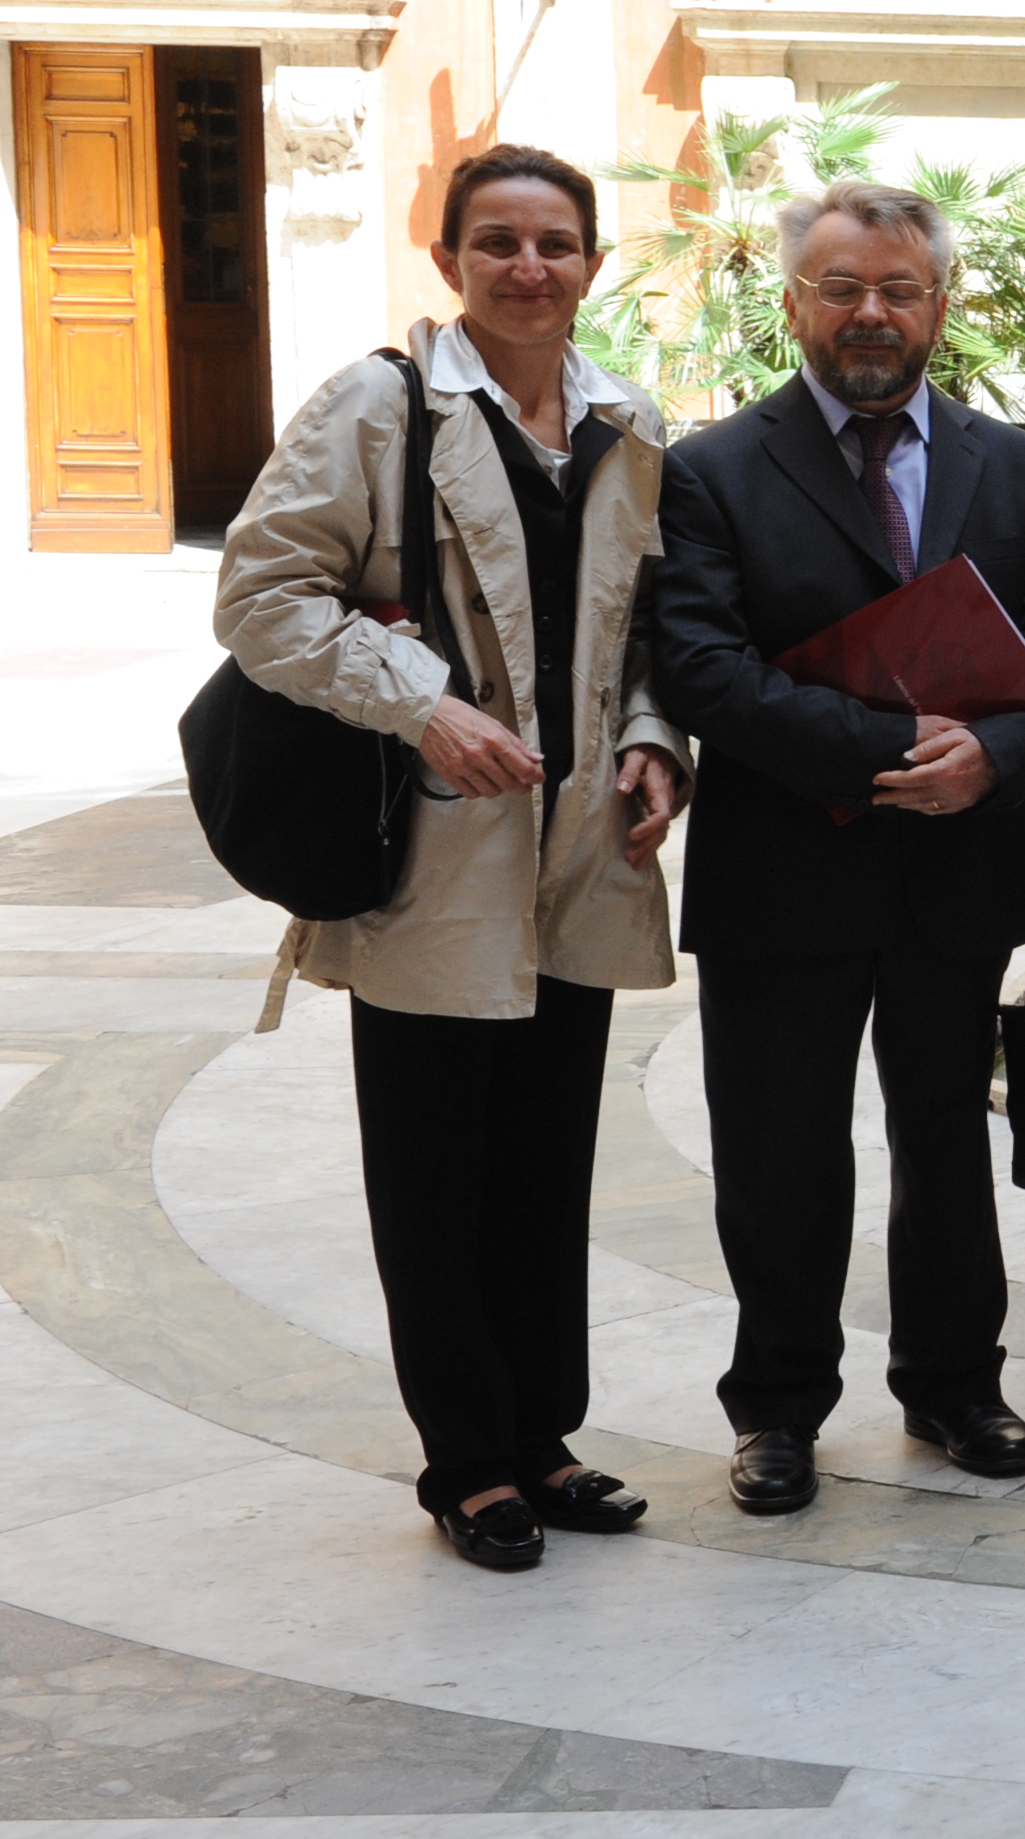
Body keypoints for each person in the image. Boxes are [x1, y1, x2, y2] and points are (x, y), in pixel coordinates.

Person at [214, 145, 688, 1571]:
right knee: (434, 1171)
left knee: (547, 1166)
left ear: (592, 264)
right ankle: (467, 1461)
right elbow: (262, 595)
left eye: (556, 244)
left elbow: (652, 625)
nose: (529, 269)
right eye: (498, 243)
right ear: (450, 261)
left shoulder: (628, 417)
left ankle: (543, 1434)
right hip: (436, 851)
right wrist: (425, 703)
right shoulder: (380, 405)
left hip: (578, 852)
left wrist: (660, 742)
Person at [643, 176, 1025, 1517]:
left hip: (958, 869)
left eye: (898, 288)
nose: (871, 314)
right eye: (841, 288)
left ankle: (957, 1385)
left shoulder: (1010, 466)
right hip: (783, 871)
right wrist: (895, 750)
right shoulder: (711, 469)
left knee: (948, 1140)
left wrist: (997, 753)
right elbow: (704, 669)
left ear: (940, 304)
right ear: (792, 303)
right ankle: (778, 1409)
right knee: (781, 1153)